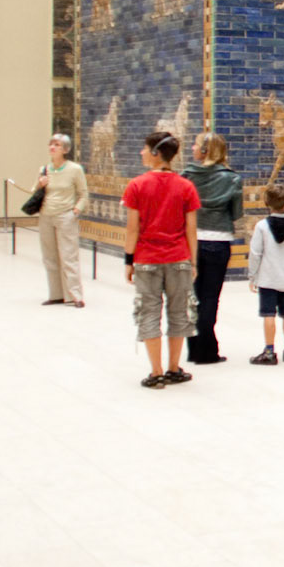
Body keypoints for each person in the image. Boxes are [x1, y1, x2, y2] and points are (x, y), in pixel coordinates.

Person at [122, 132, 200, 389]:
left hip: (147, 259)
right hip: (178, 258)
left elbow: (133, 228)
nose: (141, 153)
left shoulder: (137, 185)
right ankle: (174, 368)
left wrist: (128, 259)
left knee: (149, 312)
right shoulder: (186, 186)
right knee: (179, 313)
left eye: (144, 149)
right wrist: (193, 262)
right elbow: (191, 229)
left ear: (156, 153)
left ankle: (156, 372)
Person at [184, 132, 243, 363]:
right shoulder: (232, 179)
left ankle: (194, 347)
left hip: (192, 239)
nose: (192, 148)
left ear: (206, 150)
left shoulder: (188, 176)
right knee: (210, 296)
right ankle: (207, 350)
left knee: (193, 295)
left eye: (196, 145)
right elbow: (237, 213)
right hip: (219, 240)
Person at [248, 183, 284, 365]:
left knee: (268, 315)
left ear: (267, 202)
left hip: (267, 279)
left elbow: (255, 253)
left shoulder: (262, 227)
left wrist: (253, 275)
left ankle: (269, 351)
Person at [35, 132, 88, 307]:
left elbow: (83, 194)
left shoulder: (74, 169)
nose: (52, 147)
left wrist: (75, 211)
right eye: (51, 144)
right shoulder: (45, 169)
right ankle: (56, 294)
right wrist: (39, 184)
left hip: (65, 216)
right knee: (49, 256)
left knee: (68, 256)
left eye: (57, 145)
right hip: (46, 216)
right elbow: (34, 192)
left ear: (65, 149)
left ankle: (75, 295)